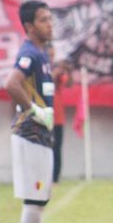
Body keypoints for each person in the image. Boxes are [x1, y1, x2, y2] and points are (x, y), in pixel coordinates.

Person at [4, 0, 72, 223]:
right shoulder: (29, 53)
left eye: (50, 19)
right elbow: (11, 83)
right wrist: (34, 111)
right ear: (30, 26)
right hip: (30, 134)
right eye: (44, 20)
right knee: (35, 199)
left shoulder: (43, 54)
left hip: (40, 135)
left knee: (38, 197)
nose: (50, 24)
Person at [48, 44, 72, 184]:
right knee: (45, 149)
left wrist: (68, 70)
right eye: (49, 55)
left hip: (58, 117)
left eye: (53, 55)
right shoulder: (41, 68)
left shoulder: (58, 71)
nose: (51, 58)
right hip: (43, 116)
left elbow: (68, 83)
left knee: (57, 149)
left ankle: (55, 179)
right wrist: (54, 73)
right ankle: (44, 177)